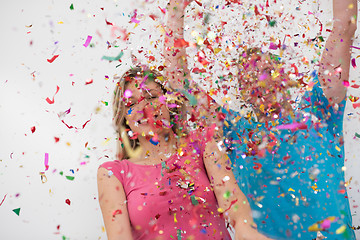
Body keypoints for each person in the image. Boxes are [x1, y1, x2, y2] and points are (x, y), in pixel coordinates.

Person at [97, 1, 271, 239]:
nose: (144, 106)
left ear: (169, 103)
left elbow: (235, 208)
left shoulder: (203, 145)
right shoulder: (113, 172)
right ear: (125, 119)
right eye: (132, 103)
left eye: (152, 96)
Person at [221, 0, 357, 239]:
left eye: (267, 71)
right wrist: (176, 10)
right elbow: (181, 90)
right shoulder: (237, 134)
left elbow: (343, 26)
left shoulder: (317, 110)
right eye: (251, 78)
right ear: (242, 92)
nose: (261, 82)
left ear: (283, 73)